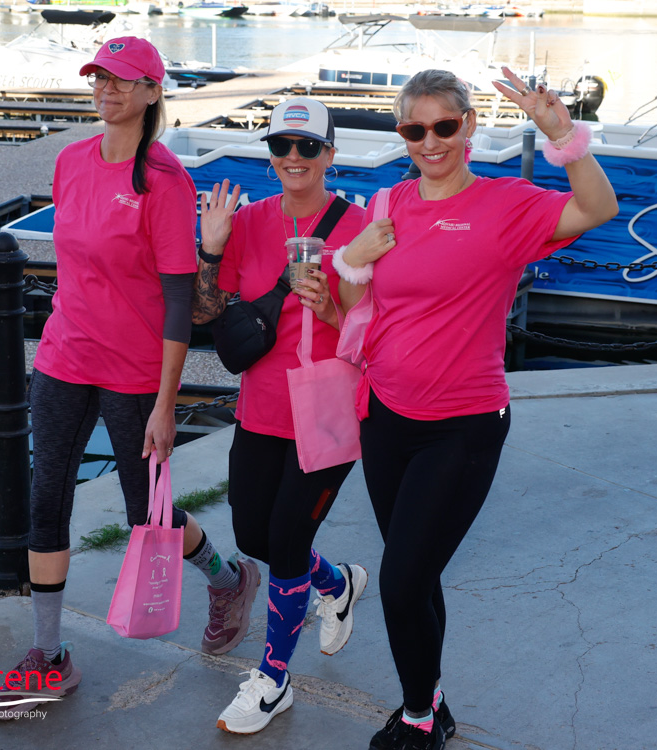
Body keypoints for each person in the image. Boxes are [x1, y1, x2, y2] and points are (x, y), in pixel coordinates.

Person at [333, 69, 619, 750]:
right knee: (416, 573)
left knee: (401, 580)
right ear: (402, 134)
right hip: (384, 416)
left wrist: (564, 136)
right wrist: (348, 263)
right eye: (415, 129)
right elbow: (355, 310)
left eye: (443, 126)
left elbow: (597, 209)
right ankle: (430, 702)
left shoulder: (505, 204)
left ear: (467, 126)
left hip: (462, 425)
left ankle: (417, 717)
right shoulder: (387, 204)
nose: (429, 141)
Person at [0, 37, 260, 720]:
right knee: (46, 499)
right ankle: (49, 654)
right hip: (65, 356)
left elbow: (178, 302)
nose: (105, 89)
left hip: (135, 369)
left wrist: (166, 403)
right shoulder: (71, 160)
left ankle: (227, 579)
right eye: (98, 77)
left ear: (151, 92)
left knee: (147, 514)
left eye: (121, 80)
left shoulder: (164, 181)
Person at [192, 97, 369, 735]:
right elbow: (204, 314)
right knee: (255, 538)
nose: (294, 157)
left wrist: (330, 310)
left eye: (307, 146)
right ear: (270, 154)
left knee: (288, 541)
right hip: (262, 406)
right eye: (281, 146)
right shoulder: (249, 221)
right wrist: (211, 248)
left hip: (329, 409)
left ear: (329, 154)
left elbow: (382, 326)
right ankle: (336, 583)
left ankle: (273, 679)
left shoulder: (360, 226)